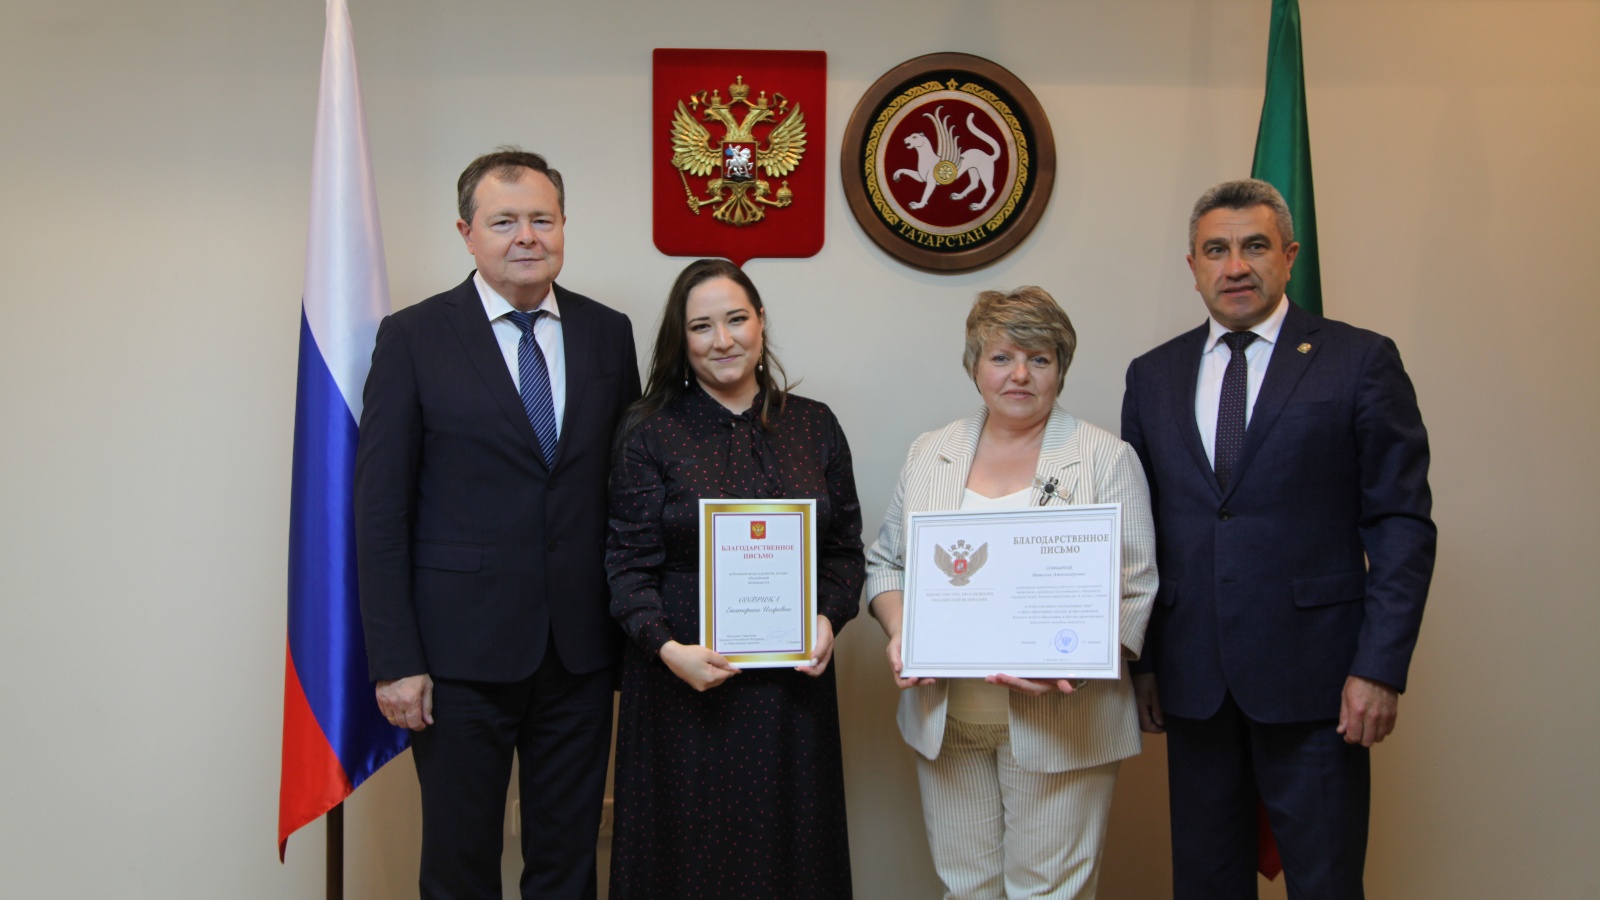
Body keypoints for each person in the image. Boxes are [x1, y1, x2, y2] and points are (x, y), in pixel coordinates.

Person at [1121, 178, 1435, 898]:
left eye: (1255, 246)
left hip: (1319, 681)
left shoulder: (1359, 360)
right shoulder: (1153, 375)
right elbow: (1139, 529)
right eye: (1216, 250)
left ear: (1290, 257)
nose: (1236, 266)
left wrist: (1380, 668)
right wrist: (1144, 661)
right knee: (1205, 883)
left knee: (1325, 882)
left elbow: (1401, 524)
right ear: (1193, 266)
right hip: (1193, 683)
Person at [354, 148, 640, 899]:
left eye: (542, 219)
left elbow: (630, 490)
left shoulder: (608, 333)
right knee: (459, 867)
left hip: (581, 651)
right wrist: (395, 658)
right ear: (467, 233)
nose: (527, 237)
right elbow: (380, 511)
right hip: (456, 657)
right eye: (504, 221)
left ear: (564, 225)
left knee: (569, 864)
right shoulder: (413, 337)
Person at [864, 287, 1158, 900]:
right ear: (975, 366)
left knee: (1047, 892)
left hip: (1063, 721)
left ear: (1060, 368)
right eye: (1002, 357)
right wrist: (901, 631)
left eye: (1039, 358)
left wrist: (1070, 659)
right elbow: (886, 563)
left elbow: (1135, 589)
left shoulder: (1105, 458)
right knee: (965, 888)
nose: (1019, 374)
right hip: (947, 719)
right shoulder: (930, 453)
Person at [605, 258, 865, 899]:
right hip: (681, 681)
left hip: (791, 690)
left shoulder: (815, 424)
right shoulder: (649, 429)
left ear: (761, 322)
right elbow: (626, 564)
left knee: (789, 852)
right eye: (701, 326)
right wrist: (669, 651)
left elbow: (843, 552)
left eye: (736, 319)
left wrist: (828, 620)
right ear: (682, 338)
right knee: (688, 859)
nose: (722, 340)